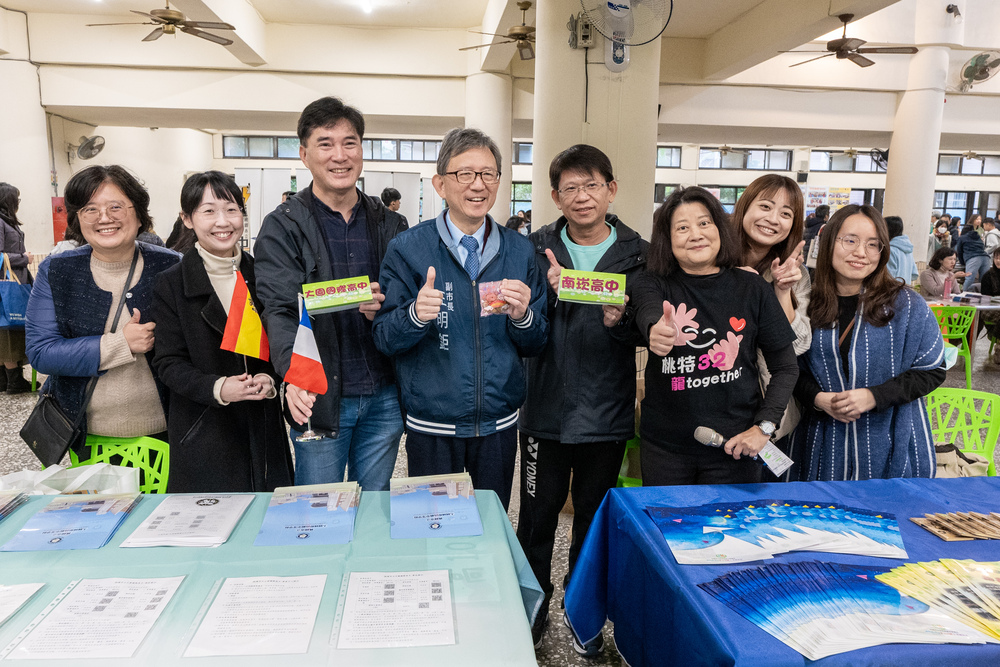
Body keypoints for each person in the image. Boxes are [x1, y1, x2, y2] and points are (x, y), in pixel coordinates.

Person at [373, 127, 548, 510]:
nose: (478, 184)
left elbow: (537, 341)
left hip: (499, 425)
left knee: (489, 523)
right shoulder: (408, 249)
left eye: (488, 174)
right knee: (435, 527)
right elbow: (384, 336)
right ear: (440, 184)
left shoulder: (519, 251)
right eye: (464, 174)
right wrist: (415, 315)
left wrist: (523, 316)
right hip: (432, 425)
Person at [515, 144, 648, 646]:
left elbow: (646, 325)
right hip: (544, 409)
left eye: (592, 185)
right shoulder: (533, 248)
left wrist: (621, 320)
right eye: (570, 188)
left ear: (611, 190)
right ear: (555, 197)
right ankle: (531, 608)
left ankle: (582, 611)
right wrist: (545, 297)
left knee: (593, 523)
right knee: (535, 520)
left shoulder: (639, 253)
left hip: (606, 412)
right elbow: (520, 322)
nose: (582, 196)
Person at [254, 96, 408, 490]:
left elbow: (405, 300)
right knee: (319, 508)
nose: (340, 155)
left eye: (349, 143)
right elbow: (280, 309)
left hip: (384, 394)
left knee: (374, 504)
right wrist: (295, 376)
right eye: (325, 144)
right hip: (319, 395)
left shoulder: (390, 223)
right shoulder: (282, 227)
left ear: (361, 150)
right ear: (304, 155)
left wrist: (386, 307)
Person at [631, 186, 798, 487]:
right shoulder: (652, 281)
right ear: (667, 239)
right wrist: (655, 329)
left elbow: (785, 367)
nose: (695, 234)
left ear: (720, 229)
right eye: (682, 228)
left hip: (735, 446)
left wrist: (763, 428)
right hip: (665, 450)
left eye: (704, 223)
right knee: (667, 519)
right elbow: (648, 308)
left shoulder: (752, 287)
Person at [25, 165, 180, 459]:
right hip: (83, 436)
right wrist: (120, 344)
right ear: (77, 218)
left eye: (116, 207)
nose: (104, 218)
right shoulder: (57, 271)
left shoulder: (172, 267)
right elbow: (41, 351)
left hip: (170, 433)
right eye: (90, 209)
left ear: (139, 214)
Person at [152, 171, 293, 493]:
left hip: (263, 426)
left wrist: (270, 378)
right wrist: (219, 387)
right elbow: (168, 362)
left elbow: (283, 337)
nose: (223, 222)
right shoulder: (171, 283)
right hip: (205, 428)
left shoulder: (263, 274)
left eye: (232, 210)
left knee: (267, 514)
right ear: (187, 219)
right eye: (209, 211)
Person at [788, 205, 946, 481]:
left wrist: (874, 396)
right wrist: (818, 398)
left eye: (873, 244)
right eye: (850, 240)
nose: (861, 252)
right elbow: (791, 368)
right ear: (829, 243)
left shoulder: (906, 304)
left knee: (887, 505)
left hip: (890, 439)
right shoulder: (807, 302)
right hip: (822, 442)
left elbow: (932, 369)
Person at [732, 174, 811, 450]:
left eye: (786, 213)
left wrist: (782, 290)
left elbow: (798, 346)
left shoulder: (796, 273)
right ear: (745, 207)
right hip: (717, 399)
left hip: (769, 412)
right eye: (765, 206)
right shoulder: (712, 261)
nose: (773, 219)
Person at [0, 183, 33, 393]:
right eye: (17, 199)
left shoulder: (6, 221)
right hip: (6, 286)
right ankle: (14, 381)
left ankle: (5, 380)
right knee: (8, 331)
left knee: (7, 330)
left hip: (12, 283)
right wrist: (23, 258)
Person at [885, 215, 918, 286]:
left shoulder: (890, 250)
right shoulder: (908, 249)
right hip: (905, 288)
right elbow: (914, 274)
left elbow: (889, 276)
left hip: (892, 289)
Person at [956, 221, 990, 286]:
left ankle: (965, 292)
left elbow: (959, 251)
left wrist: (962, 262)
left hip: (973, 258)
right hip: (986, 257)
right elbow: (983, 247)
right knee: (984, 280)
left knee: (969, 278)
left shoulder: (962, 238)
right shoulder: (978, 237)